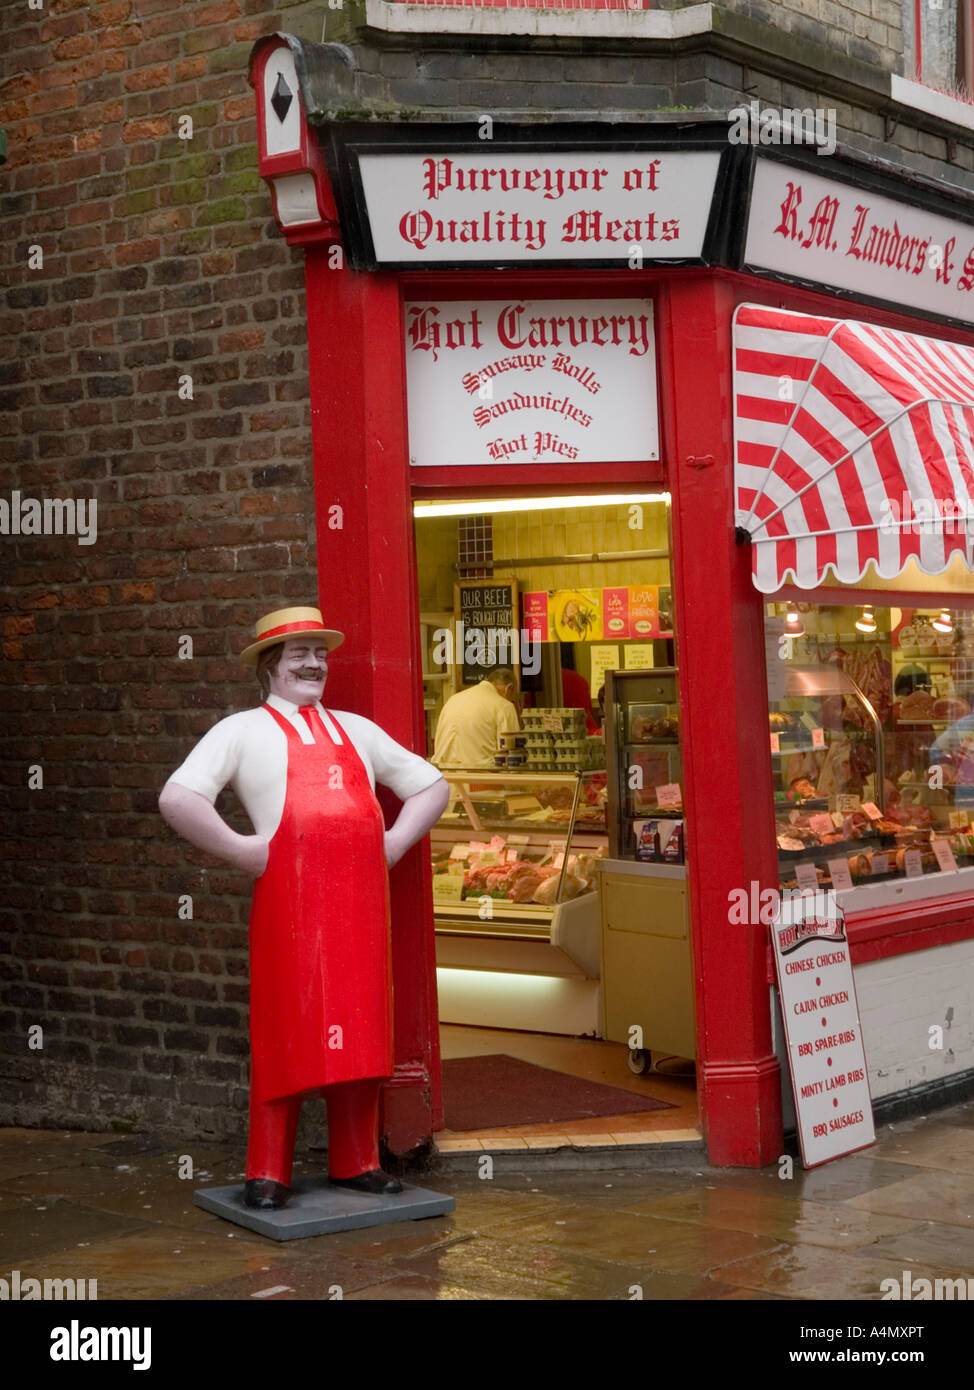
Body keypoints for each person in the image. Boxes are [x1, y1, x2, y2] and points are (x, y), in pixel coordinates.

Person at [158, 606, 449, 1211]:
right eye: (299, 654)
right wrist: (244, 851)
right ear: (270, 666)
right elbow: (180, 797)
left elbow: (430, 784)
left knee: (363, 1028)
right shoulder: (239, 731)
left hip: (361, 910)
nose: (314, 663)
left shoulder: (358, 730)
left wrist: (391, 844)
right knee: (284, 1026)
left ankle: (356, 1160)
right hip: (289, 907)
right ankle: (267, 1169)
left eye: (320, 653)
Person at [432, 665, 520, 767]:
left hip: (446, 777)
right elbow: (512, 755)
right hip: (482, 777)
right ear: (509, 688)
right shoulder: (504, 706)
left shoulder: (452, 700)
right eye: (513, 698)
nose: (511, 701)